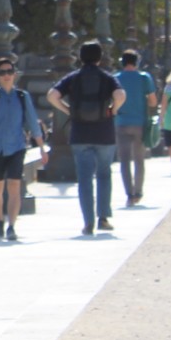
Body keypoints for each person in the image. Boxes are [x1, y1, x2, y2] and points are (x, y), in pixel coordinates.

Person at [48, 41, 126, 237]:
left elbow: (52, 95)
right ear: (100, 58)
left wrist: (68, 110)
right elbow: (120, 94)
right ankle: (103, 218)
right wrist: (113, 109)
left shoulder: (73, 78)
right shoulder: (107, 78)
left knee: (84, 179)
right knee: (104, 174)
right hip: (104, 132)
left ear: (80, 57)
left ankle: (88, 221)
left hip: (80, 133)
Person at [0, 58, 47, 242]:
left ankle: (12, 225)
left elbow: (32, 121)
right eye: (2, 73)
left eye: (9, 72)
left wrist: (41, 148)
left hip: (16, 147)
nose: (6, 76)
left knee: (15, 186)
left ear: (14, 75)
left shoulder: (23, 97)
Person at [113, 49, 158, 207]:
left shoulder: (115, 78)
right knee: (139, 159)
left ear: (122, 62)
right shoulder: (144, 78)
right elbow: (153, 102)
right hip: (139, 123)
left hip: (121, 122)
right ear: (137, 62)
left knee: (124, 160)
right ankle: (138, 192)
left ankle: (129, 194)